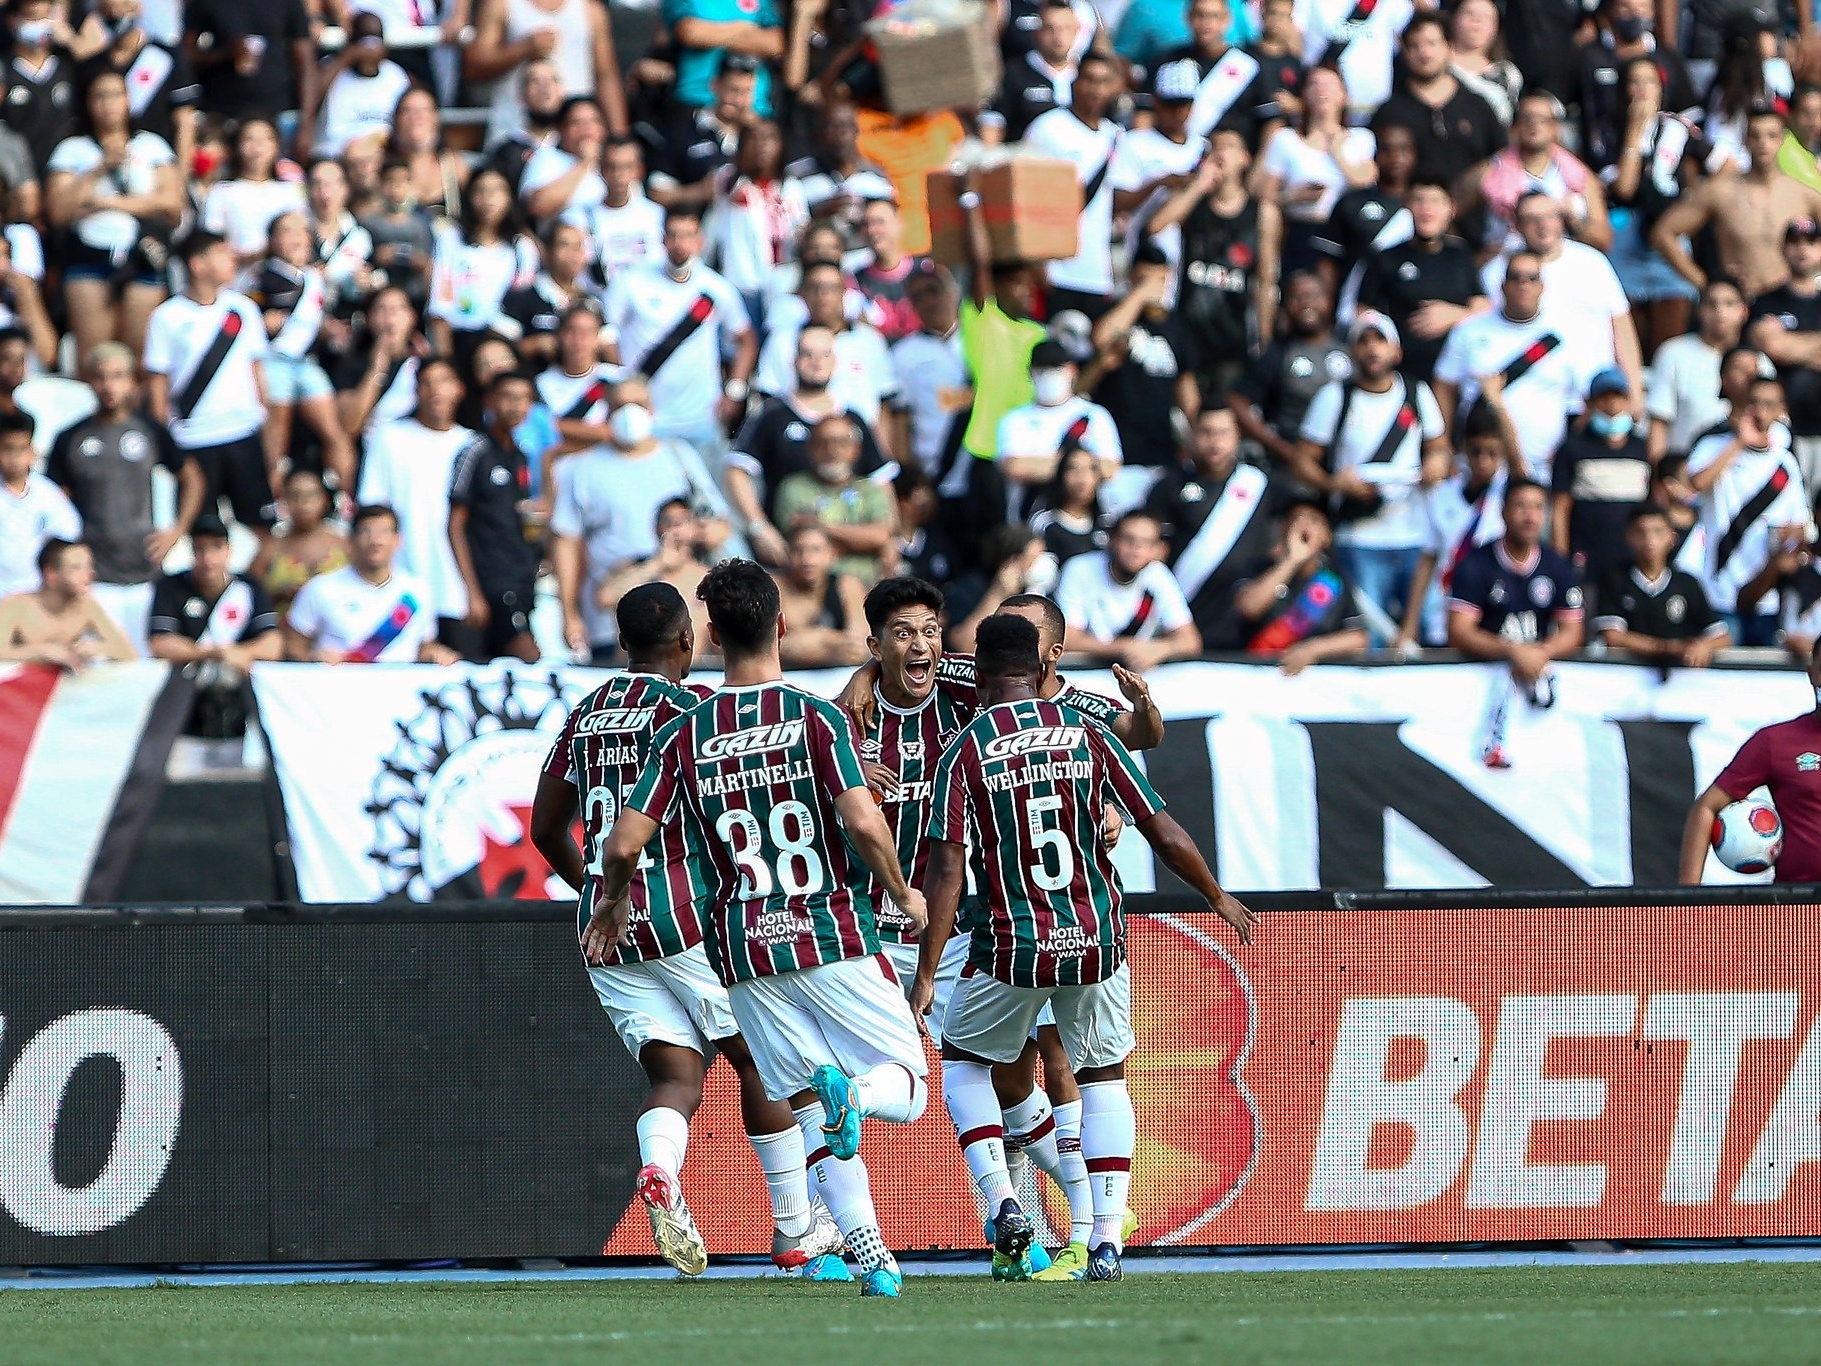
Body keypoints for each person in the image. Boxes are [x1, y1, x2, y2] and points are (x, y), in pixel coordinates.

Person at [594, 558, 931, 1299]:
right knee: (903, 1089)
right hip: (830, 931)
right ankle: (857, 1100)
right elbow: (859, 816)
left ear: (711, 634)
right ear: (781, 625)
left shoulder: (686, 731)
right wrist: (902, 890)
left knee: (811, 1108)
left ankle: (874, 1259)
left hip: (743, 951)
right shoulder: (815, 716)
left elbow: (622, 844)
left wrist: (613, 901)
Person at [918, 612, 1253, 1285]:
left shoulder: (965, 749)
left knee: (963, 1061)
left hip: (1012, 945)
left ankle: (1002, 1201)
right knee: (1102, 1078)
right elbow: (1159, 828)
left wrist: (927, 971)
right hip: (1095, 940)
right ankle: (1105, 1237)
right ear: (1043, 671)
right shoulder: (1088, 735)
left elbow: (948, 870)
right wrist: (1215, 895)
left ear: (978, 676)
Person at [530, 581, 844, 1278]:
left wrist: (594, 889)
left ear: (621, 644)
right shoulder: (691, 711)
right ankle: (797, 1229)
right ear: (686, 642)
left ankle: (659, 1170)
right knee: (762, 1062)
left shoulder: (584, 714)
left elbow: (543, 825)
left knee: (676, 1075)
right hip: (683, 916)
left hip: (604, 928)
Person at [1291, 310, 1450, 644]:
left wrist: (1435, 466)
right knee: (1368, 632)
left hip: (1413, 532)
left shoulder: (1417, 393)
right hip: (1358, 534)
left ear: (1396, 351)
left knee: (1422, 631)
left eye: (1380, 340)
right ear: (1351, 352)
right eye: (1362, 341)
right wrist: (1335, 484)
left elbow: (1439, 447)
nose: (1372, 349)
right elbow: (1303, 461)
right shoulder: (1334, 397)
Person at [46, 341, 202, 651]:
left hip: (145, 571)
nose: (109, 385)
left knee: (145, 663)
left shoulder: (150, 431)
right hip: (94, 578)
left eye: (118, 376)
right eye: (101, 377)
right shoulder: (70, 438)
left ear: (132, 382)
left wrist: (177, 532)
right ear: (89, 381)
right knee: (98, 666)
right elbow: (54, 503)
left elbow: (193, 479)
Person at [552, 375, 711, 665]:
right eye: (620, 405)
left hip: (681, 620)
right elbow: (566, 544)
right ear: (606, 412)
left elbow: (718, 523)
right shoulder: (579, 468)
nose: (630, 412)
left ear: (652, 409)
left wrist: (690, 537)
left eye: (638, 404)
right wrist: (570, 615)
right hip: (608, 622)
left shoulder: (679, 457)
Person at [45, 68, 183, 362]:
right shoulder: (72, 149)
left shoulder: (152, 145)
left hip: (141, 254)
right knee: (95, 357)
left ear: (128, 100)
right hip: (89, 256)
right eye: (100, 96)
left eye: (116, 95)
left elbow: (172, 204)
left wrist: (107, 204)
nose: (108, 103)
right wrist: (98, 169)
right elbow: (58, 210)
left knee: (141, 354)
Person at [143, 231, 273, 541]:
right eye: (223, 253)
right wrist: (168, 444)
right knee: (202, 534)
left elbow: (258, 377)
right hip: (194, 440)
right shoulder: (166, 317)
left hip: (244, 434)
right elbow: (157, 387)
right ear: (198, 263)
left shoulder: (243, 310)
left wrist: (268, 437)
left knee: (260, 528)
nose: (233, 260)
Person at [1447, 478, 1585, 767]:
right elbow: (1459, 631)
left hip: (1537, 673)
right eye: (1520, 506)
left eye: (1537, 507)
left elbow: (1573, 630)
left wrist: (1540, 653)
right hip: (1484, 678)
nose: (1529, 515)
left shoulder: (1557, 565)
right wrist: (1513, 651)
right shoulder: (1476, 564)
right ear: (1503, 512)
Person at [727, 325, 891, 561]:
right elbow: (737, 471)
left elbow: (881, 480)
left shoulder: (853, 418)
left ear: (835, 362)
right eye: (807, 354)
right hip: (789, 550)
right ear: (793, 361)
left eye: (824, 355)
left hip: (853, 551)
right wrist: (759, 528)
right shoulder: (772, 414)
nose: (816, 362)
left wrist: (890, 541)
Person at [357, 358, 485, 657]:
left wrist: (474, 590)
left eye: (444, 381)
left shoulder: (473, 444)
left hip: (457, 591)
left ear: (459, 389)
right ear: (416, 392)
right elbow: (372, 507)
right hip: (399, 589)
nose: (435, 390)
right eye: (426, 383)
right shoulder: (389, 438)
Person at [1430, 249, 1593, 482]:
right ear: (1502, 285)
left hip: (1542, 470)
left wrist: (1568, 452)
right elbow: (1444, 387)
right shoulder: (1469, 330)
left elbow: (1586, 404)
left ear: (1542, 286)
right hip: (1477, 466)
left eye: (1531, 278)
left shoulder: (1566, 336)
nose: (1523, 284)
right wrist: (1444, 447)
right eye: (1515, 277)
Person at [603, 206, 755, 452]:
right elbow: (606, 335)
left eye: (687, 235)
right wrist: (626, 383)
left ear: (700, 241)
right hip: (644, 419)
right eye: (673, 235)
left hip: (701, 417)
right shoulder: (630, 282)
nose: (679, 243)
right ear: (662, 239)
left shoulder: (717, 288)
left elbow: (745, 339)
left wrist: (735, 390)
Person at [1150, 127, 1281, 399]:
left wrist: (1264, 339)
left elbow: (1266, 279)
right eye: (1214, 147)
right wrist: (1199, 185)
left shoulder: (1261, 213)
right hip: (1188, 331)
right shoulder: (1194, 202)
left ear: (1245, 158)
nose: (1220, 152)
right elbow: (1157, 226)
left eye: (1229, 146)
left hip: (1232, 334)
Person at [1485, 193, 1644, 410]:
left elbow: (1621, 327)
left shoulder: (1592, 263)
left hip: (1595, 397)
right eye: (1532, 219)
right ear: (1517, 225)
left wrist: (1634, 393)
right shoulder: (1497, 272)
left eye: (1550, 216)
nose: (1543, 226)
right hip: (1530, 400)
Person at [1601, 56, 1714, 359]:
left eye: (1649, 81)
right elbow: (1624, 188)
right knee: (1629, 343)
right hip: (1626, 237)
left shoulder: (1679, 127)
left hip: (1669, 237)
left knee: (1669, 342)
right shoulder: (1609, 128)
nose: (1642, 89)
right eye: (1635, 82)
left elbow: (1724, 165)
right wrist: (1635, 131)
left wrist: (1695, 204)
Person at [1687, 373, 1809, 646]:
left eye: (1769, 404)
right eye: (1754, 402)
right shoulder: (1713, 446)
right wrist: (1739, 443)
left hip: (1765, 595)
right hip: (1716, 592)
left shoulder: (1785, 465)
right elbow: (1696, 484)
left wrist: (1788, 535)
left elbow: (1800, 522)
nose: (1761, 411)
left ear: (1781, 411)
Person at [1680, 650, 1821, 883]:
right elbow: (1707, 806)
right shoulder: (1775, 741)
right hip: (1799, 907)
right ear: (1812, 673)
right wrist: (1685, 898)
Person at [1652, 108, 1821, 302]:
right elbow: (1663, 233)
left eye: (1771, 136)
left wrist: (1814, 280)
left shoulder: (1803, 194)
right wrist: (1706, 285)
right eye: (1755, 136)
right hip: (1743, 302)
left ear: (1781, 140)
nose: (1763, 143)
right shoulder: (1720, 191)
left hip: (1791, 302)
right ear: (1744, 139)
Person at [1395, 400, 1521, 650]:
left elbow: (1520, 467)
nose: (1484, 461)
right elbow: (1427, 561)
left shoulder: (1511, 496)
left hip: (1498, 613)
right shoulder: (1442, 495)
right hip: (1445, 611)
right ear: (1464, 449)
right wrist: (1409, 627)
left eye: (1492, 453)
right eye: (1476, 452)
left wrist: (1495, 398)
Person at [146, 513, 280, 736]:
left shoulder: (248, 588)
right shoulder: (171, 586)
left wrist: (240, 653)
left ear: (229, 549)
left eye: (216, 548)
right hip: (187, 691)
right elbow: (160, 643)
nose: (208, 559)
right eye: (200, 549)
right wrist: (209, 653)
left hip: (240, 691)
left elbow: (272, 645)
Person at [251, 211, 356, 495]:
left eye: (301, 231)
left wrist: (330, 330)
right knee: (276, 435)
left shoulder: (314, 277)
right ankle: (272, 500)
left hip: (306, 362)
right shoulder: (263, 277)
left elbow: (312, 319)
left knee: (333, 430)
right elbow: (249, 318)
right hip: (275, 361)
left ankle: (348, 499)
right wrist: (264, 322)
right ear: (272, 241)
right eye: (286, 231)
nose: (296, 238)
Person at [283, 504, 460, 664]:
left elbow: (424, 645)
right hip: (338, 689)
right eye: (366, 532)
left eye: (384, 532)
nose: (376, 541)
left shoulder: (418, 591)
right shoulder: (320, 588)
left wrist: (435, 654)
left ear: (398, 540)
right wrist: (314, 658)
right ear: (350, 540)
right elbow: (293, 645)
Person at [449, 370, 543, 664]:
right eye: (508, 397)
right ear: (489, 401)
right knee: (529, 654)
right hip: (491, 580)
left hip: (523, 579)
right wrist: (471, 591)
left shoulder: (521, 456)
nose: (516, 406)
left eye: (524, 398)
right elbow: (455, 524)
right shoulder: (474, 451)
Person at [1355, 173, 1486, 384]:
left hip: (1454, 373)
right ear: (1407, 207)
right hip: (1402, 373)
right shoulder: (1386, 258)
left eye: (1435, 201)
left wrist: (1454, 315)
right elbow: (1364, 311)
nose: (1427, 209)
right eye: (1419, 200)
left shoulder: (1461, 256)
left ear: (1450, 209)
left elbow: (1484, 306)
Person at [1086, 244, 1203, 480]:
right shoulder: (1114, 313)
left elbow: (1187, 390)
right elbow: (1101, 339)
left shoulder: (1178, 327)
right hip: (1115, 451)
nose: (1153, 287)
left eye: (1159, 279)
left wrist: (1196, 438)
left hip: (1161, 451)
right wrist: (1139, 295)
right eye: (1143, 279)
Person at [1254, 66, 1376, 275]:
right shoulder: (1286, 139)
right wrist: (1292, 197)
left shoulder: (1361, 138)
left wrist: (1337, 150)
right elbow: (1263, 193)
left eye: (1329, 85)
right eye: (1314, 84)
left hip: (1345, 231)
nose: (1322, 91)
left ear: (1343, 95)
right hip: (1302, 228)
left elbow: (1365, 181)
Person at [754, 261, 898, 435]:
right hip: (798, 444)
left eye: (831, 288)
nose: (823, 295)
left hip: (859, 444)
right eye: (815, 288)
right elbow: (769, 399)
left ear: (844, 292)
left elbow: (884, 403)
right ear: (802, 294)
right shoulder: (782, 341)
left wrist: (882, 456)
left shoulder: (869, 340)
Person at [1465, 92, 1613, 255]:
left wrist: (1573, 222)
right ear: (1514, 127)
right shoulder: (1489, 172)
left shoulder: (1580, 176)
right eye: (1527, 118)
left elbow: (1603, 240)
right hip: (1509, 267)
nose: (1534, 125)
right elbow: (1449, 211)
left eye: (1542, 120)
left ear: (1555, 128)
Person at [1230, 271, 1349, 472]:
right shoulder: (1278, 353)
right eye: (1297, 297)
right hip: (1292, 466)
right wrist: (1281, 448)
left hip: (1346, 462)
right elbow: (1237, 401)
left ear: (1329, 299)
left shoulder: (1350, 346)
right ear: (1285, 306)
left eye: (1313, 295)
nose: (1306, 303)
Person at [1233, 500, 1370, 672]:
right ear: (1284, 529)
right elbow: (1248, 608)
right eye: (1297, 519)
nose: (1304, 526)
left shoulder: (1333, 579)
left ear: (1326, 536)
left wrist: (1313, 649)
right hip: (1258, 673)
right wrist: (1291, 560)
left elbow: (1358, 638)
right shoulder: (1259, 568)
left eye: (1313, 520)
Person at [996, 340, 1124, 525]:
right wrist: (1081, 466)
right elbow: (1015, 467)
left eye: (1055, 368)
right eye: (1042, 370)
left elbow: (1109, 468)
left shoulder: (1094, 415)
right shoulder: (1014, 419)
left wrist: (1042, 464)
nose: (1049, 375)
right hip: (1029, 520)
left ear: (1072, 370)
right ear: (1030, 373)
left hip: (1086, 523)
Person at [1055, 510, 1202, 668]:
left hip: (1137, 673)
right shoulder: (1079, 569)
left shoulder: (1158, 574)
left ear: (1157, 550)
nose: (1136, 548)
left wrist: (1160, 649)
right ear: (1112, 540)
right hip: (1085, 671)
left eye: (1146, 542)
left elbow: (1191, 641)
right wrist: (1125, 648)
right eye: (1129, 539)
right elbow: (1068, 640)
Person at [468, 0, 624, 147]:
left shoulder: (590, 10)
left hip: (574, 139)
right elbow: (474, 67)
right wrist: (523, 48)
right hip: (514, 133)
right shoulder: (502, 5)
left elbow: (607, 77)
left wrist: (619, 137)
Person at [1375, 12, 1505, 185]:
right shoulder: (1389, 113)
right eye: (1415, 46)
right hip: (1408, 208)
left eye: (1432, 43)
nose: (1425, 53)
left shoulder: (1478, 107)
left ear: (1448, 47)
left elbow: (1502, 159)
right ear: (1405, 53)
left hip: (1472, 208)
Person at [1552, 368, 1654, 587]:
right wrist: (1561, 560)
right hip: (1586, 560)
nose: (1612, 405)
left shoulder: (1641, 448)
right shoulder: (1573, 448)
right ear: (1590, 403)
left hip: (1632, 562)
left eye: (1618, 396)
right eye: (1604, 397)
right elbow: (1560, 508)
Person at [427, 167, 539, 366]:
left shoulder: (522, 248)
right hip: (460, 338)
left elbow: (522, 303)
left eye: (497, 190)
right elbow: (440, 306)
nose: (489, 199)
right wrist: (447, 361)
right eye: (481, 190)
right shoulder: (452, 240)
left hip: (505, 342)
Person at [1594, 504, 1730, 666]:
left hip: (1681, 679)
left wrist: (1704, 646)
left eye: (1658, 531)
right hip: (1629, 674)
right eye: (1641, 532)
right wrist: (1668, 648)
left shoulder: (1687, 583)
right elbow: (1613, 636)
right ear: (1628, 536)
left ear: (1671, 537)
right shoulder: (1614, 579)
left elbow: (1721, 636)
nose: (1649, 540)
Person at [772, 414, 897, 585]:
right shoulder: (793, 488)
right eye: (823, 442)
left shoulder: (871, 489)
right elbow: (802, 543)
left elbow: (881, 535)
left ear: (856, 449)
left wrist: (822, 526)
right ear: (810, 448)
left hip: (869, 586)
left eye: (841, 442)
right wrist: (864, 543)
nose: (832, 450)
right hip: (813, 588)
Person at [1746, 218, 1821, 495]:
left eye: (1811, 243)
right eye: (1795, 243)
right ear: (1783, 248)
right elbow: (1771, 347)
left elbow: (1780, 345)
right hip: (1782, 427)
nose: (1802, 250)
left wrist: (1791, 344)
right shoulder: (1767, 301)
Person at [183, 0, 316, 156]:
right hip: (221, 114)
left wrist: (306, 127)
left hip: (277, 113)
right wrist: (223, 54)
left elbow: (306, 63)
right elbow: (185, 54)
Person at [1649, 278, 1751, 463]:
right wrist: (1658, 476)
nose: (1720, 311)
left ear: (1744, 311)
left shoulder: (1757, 359)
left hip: (1743, 472)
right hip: (1684, 469)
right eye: (1712, 304)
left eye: (1729, 303)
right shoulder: (1673, 353)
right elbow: (1658, 421)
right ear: (1699, 310)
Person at [0, 537, 135, 666]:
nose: (90, 574)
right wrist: (41, 653)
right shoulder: (16, 606)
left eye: (89, 566)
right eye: (76, 568)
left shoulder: (87, 606)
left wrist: (96, 649)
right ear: (51, 575)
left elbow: (128, 654)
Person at [890, 262, 966, 480]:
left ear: (953, 292)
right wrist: (911, 476)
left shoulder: (978, 338)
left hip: (982, 464)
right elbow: (901, 419)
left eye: (934, 291)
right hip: (933, 469)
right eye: (918, 297)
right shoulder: (904, 353)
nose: (928, 302)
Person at [199, 118, 306, 270]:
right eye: (249, 139)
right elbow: (211, 243)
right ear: (237, 146)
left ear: (276, 146)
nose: (258, 147)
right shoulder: (221, 192)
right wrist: (250, 256)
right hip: (237, 281)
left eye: (265, 139)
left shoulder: (291, 192)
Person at [251, 468, 348, 626]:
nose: (303, 503)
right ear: (285, 501)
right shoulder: (270, 548)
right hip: (284, 635)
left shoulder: (344, 544)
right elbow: (247, 595)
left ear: (324, 499)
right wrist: (280, 594)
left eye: (310, 495)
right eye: (295, 496)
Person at [0, 410, 80, 598]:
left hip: (37, 596)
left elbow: (68, 534)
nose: (14, 458)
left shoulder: (48, 495)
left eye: (21, 449)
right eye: (7, 449)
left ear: (32, 452)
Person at [313, 13, 411, 158]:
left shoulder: (395, 75)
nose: (369, 49)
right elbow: (312, 99)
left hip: (383, 154)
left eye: (375, 41)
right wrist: (346, 58)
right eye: (364, 41)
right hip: (337, 154)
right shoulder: (332, 68)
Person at [567, 136, 665, 281]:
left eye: (627, 167)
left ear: (639, 170)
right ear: (601, 169)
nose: (619, 175)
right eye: (612, 167)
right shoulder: (581, 217)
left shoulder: (656, 215)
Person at [770, 522, 868, 668]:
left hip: (839, 678)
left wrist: (808, 641)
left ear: (831, 554)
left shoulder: (848, 586)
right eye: (799, 550)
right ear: (788, 554)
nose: (807, 559)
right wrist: (832, 644)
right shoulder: (773, 587)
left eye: (816, 550)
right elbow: (768, 649)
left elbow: (859, 648)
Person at [1030, 446, 1112, 567]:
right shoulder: (1044, 523)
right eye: (1073, 468)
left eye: (1091, 469)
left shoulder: (1107, 524)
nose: (1082, 478)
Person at [1448, 0, 1521, 126]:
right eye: (1469, 14)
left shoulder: (1508, 73)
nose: (1476, 21)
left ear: (1496, 28)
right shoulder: (1435, 66)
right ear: (1454, 19)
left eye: (1486, 17)